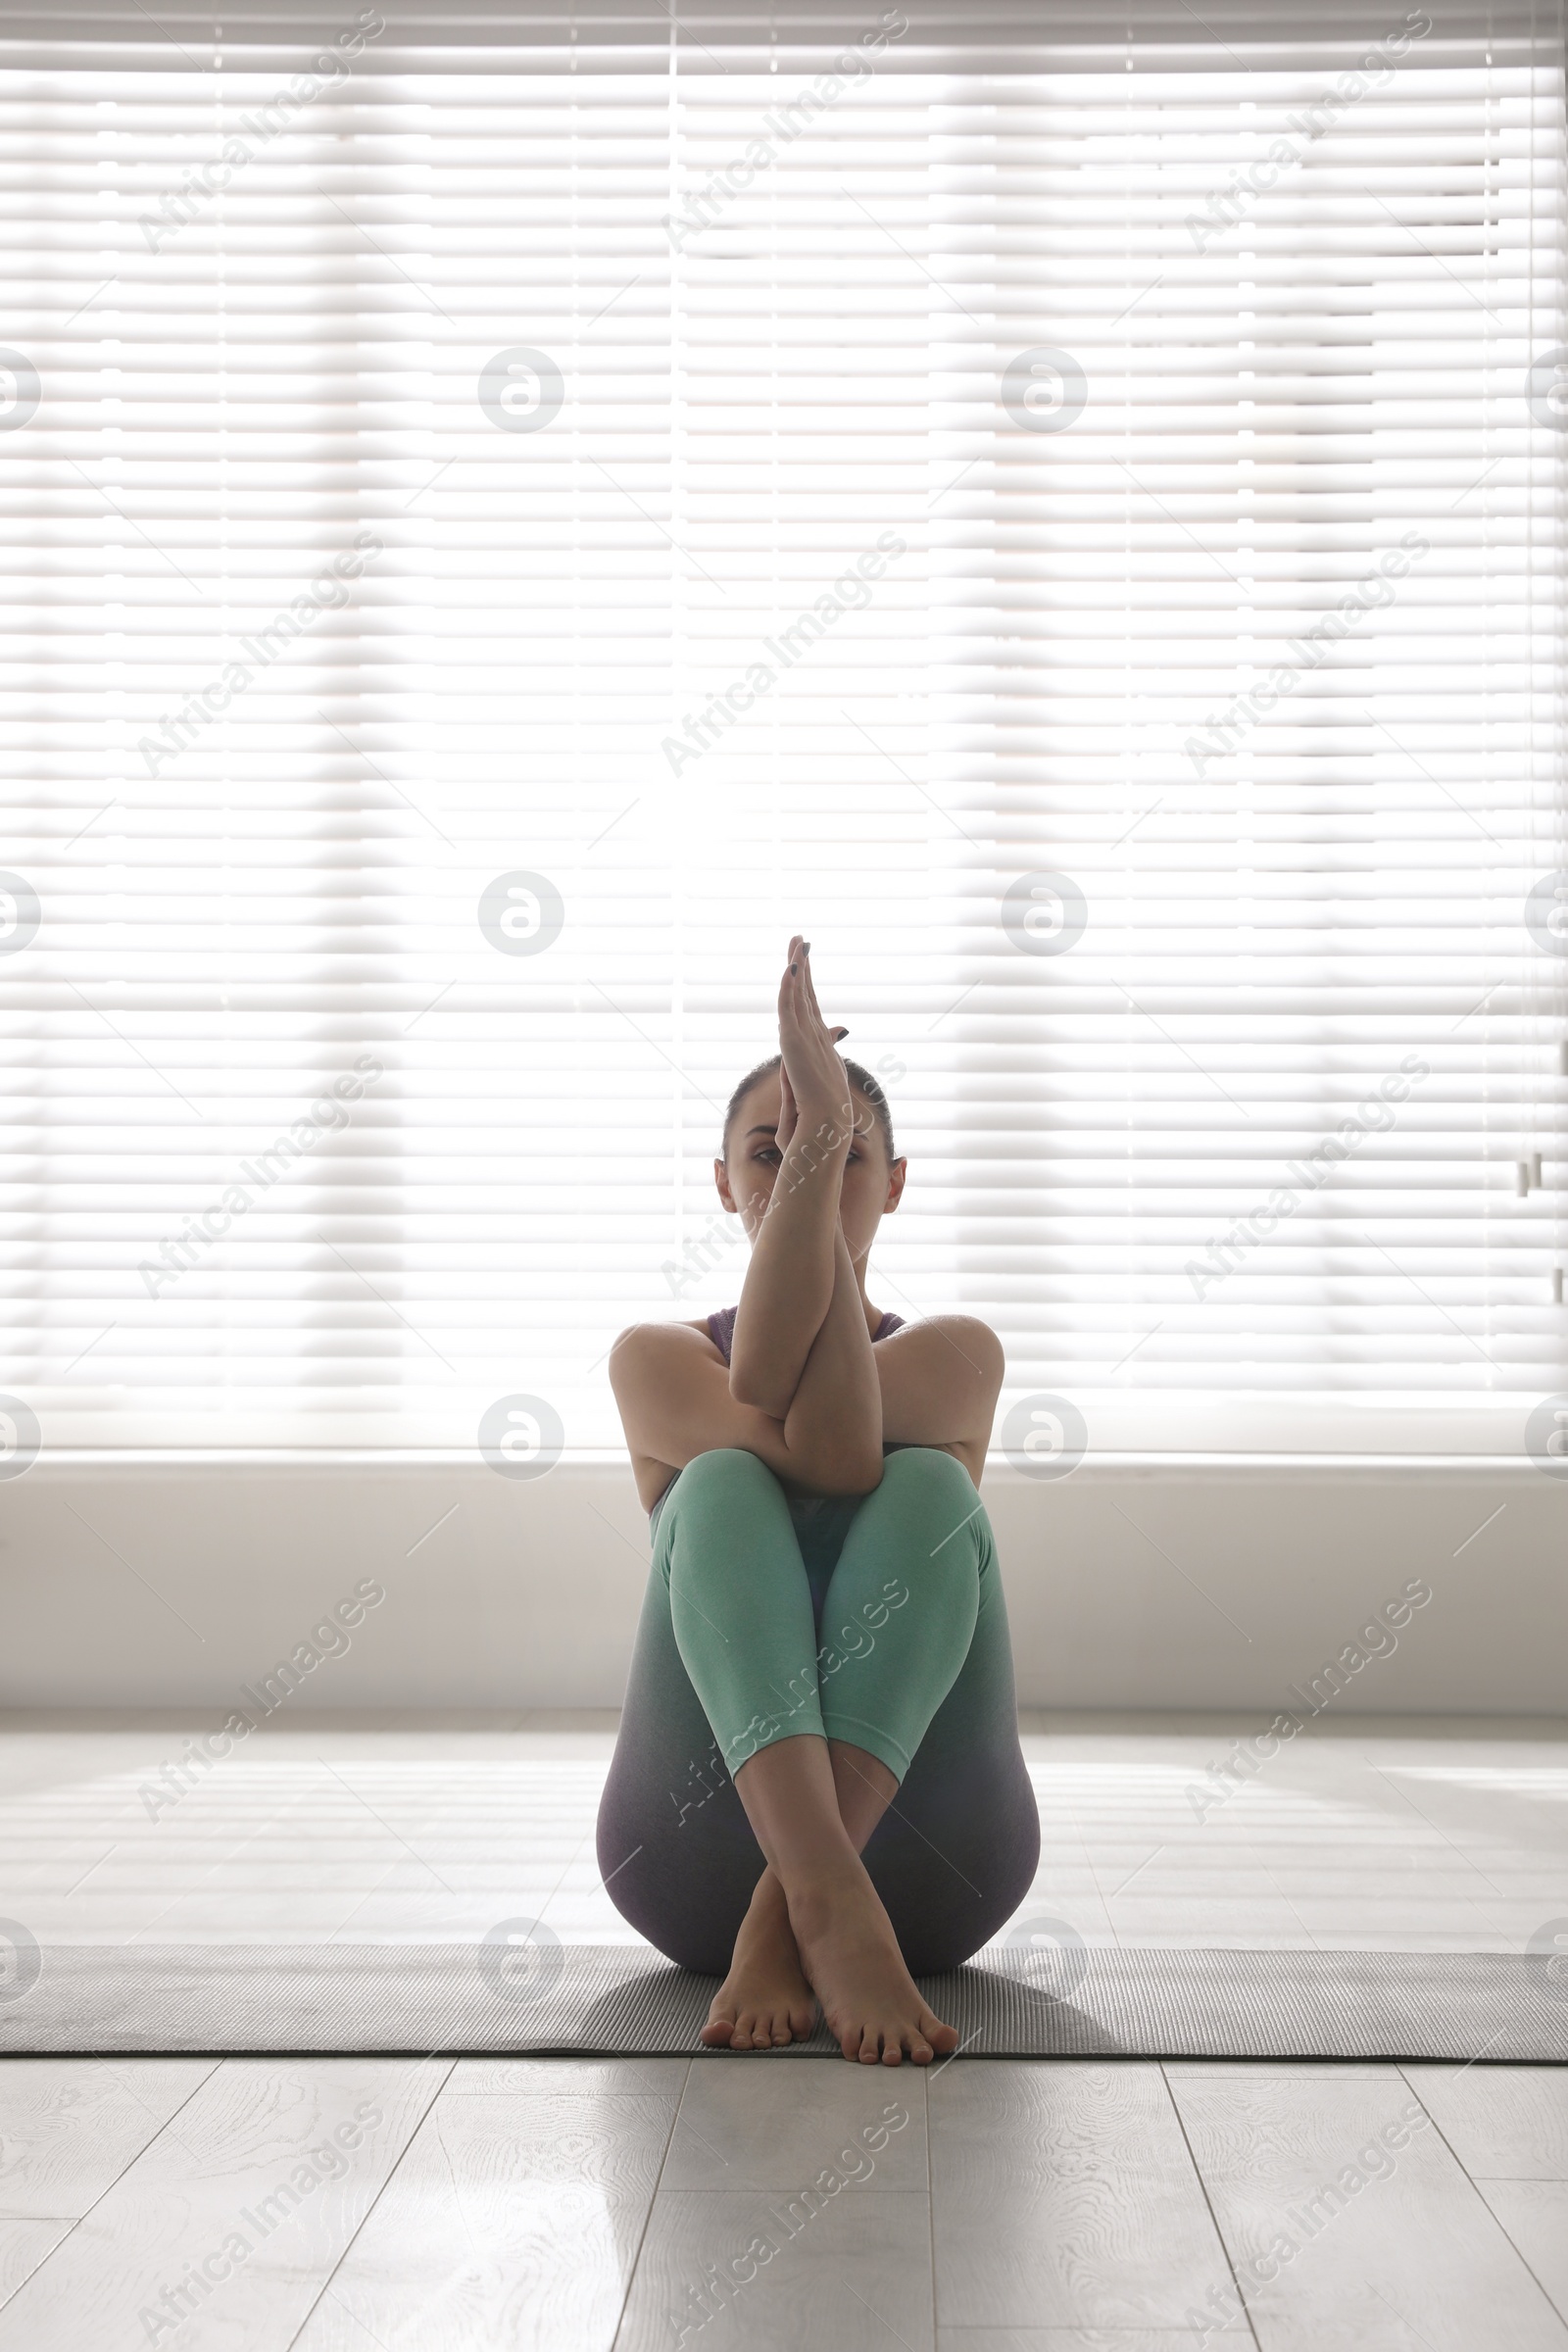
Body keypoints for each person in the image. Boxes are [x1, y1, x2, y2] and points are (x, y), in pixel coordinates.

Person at [599, 934, 1039, 2065]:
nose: (800, 1166)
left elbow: (843, 1454)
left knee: (925, 1487)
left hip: (936, 1876)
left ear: (892, 1183)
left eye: (841, 1153)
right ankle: (822, 1906)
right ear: (725, 1183)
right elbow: (800, 1427)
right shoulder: (656, 1359)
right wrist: (819, 1153)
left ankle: (796, 1909)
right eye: (771, 1150)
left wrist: (814, 1145)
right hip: (690, 1866)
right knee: (728, 1485)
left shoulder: (956, 1354)